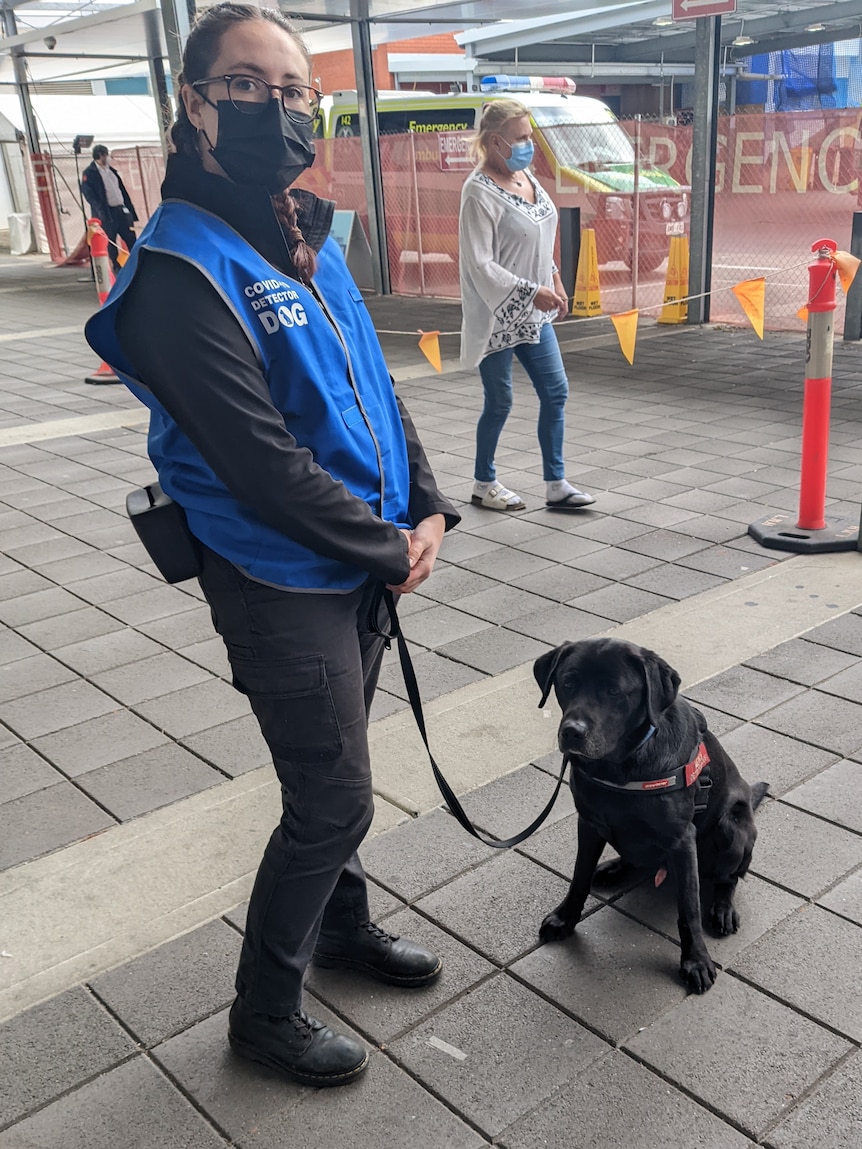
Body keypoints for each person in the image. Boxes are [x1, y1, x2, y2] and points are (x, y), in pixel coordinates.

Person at [85, 2, 459, 1089]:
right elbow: (255, 462)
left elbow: (372, 387)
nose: (277, 107)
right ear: (192, 104)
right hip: (276, 570)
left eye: (295, 90)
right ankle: (263, 1015)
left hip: (359, 556)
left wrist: (426, 504)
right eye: (248, 85)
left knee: (337, 773)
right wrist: (388, 548)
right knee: (332, 796)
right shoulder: (176, 271)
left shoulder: (301, 227)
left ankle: (342, 929)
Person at [459, 99, 596, 514]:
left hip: (535, 311)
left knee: (556, 392)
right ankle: (484, 482)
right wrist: (529, 291)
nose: (528, 145)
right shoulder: (477, 193)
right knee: (499, 401)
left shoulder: (527, 176)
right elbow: (479, 262)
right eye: (521, 138)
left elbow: (536, 239)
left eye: (529, 137)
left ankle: (556, 483)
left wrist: (553, 278)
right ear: (495, 141)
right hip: (497, 313)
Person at [80, 144, 139, 270]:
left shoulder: (111, 171)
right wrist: (100, 210)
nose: (108, 157)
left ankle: (137, 262)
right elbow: (89, 194)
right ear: (100, 155)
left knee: (130, 237)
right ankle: (117, 266)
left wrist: (130, 210)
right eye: (106, 154)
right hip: (107, 212)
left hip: (121, 209)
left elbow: (121, 191)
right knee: (111, 241)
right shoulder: (90, 173)